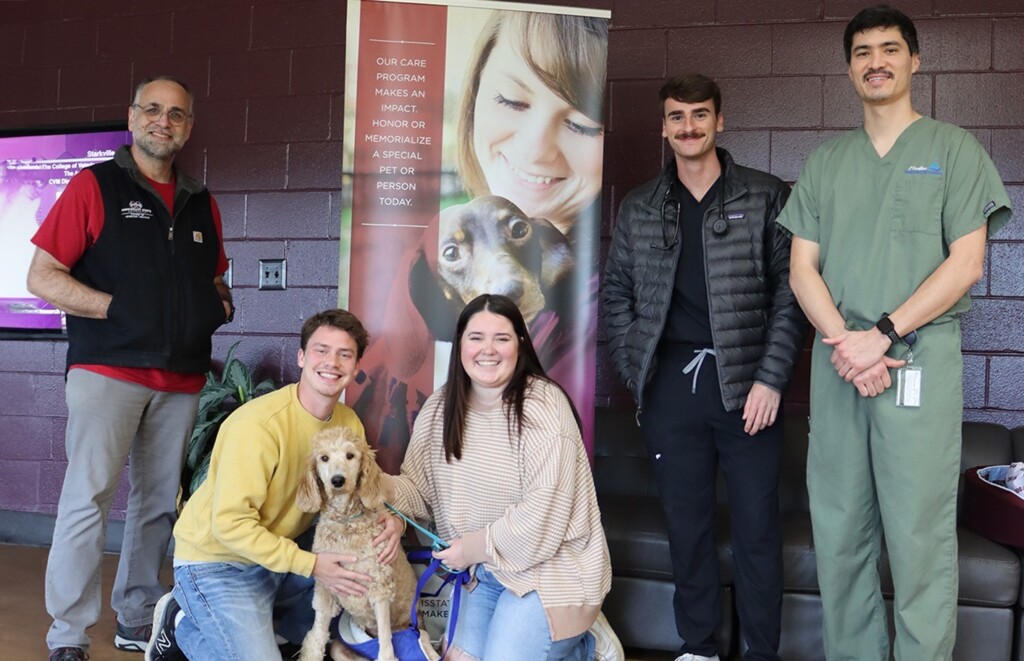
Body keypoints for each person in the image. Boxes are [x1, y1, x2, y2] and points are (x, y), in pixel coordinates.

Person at [776, 5, 1013, 659]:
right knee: (841, 531)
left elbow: (966, 264)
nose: (875, 61)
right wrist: (851, 346)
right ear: (849, 68)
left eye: (888, 48)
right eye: (861, 51)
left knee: (918, 536)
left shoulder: (953, 150)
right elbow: (803, 270)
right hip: (840, 360)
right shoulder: (826, 163)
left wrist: (880, 333)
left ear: (914, 60)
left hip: (918, 360)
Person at [601, 73, 806, 661]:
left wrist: (771, 379)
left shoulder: (766, 195)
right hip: (671, 390)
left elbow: (793, 296)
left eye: (699, 115)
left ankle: (760, 651)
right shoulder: (642, 205)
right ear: (665, 127)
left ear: (720, 121)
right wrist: (636, 365)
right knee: (687, 529)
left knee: (756, 533)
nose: (688, 127)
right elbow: (617, 295)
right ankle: (698, 647)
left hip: (748, 392)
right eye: (676, 117)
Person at [27, 75, 233, 661]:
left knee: (157, 504)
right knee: (87, 499)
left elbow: (215, 278)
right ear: (132, 116)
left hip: (181, 376)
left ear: (188, 126)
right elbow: (41, 276)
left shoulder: (202, 201)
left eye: (176, 114)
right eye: (152, 109)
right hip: (108, 370)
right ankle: (68, 635)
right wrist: (114, 308)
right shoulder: (95, 186)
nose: (162, 121)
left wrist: (214, 308)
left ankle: (136, 619)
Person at [350, 11, 608, 470]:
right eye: (512, 100)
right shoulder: (403, 387)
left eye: (583, 123)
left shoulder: (587, 314)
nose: (534, 150)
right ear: (472, 101)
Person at [145, 309, 405, 661]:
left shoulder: (347, 423)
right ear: (301, 357)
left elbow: (360, 492)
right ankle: (180, 625)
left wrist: (392, 518)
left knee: (356, 577)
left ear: (356, 366)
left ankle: (279, 634)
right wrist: (312, 565)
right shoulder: (258, 426)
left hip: (276, 555)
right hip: (217, 562)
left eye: (345, 354)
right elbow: (229, 526)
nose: (332, 362)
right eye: (321, 350)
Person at [381, 294, 622, 661]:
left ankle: (587, 646)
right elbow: (417, 490)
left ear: (520, 344)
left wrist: (470, 548)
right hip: (486, 571)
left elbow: (544, 514)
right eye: (476, 337)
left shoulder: (544, 405)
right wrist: (373, 486)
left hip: (552, 573)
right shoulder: (440, 407)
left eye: (502, 338)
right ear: (460, 343)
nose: (487, 350)